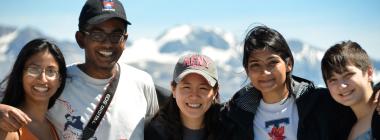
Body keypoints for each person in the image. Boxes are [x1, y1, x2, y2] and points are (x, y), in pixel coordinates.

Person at [0, 0, 159, 139]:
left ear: (125, 40)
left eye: (116, 35)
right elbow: (16, 94)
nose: (107, 44)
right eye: (97, 34)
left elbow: (159, 130)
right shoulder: (57, 81)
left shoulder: (142, 82)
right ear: (80, 39)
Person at [218, 25, 357, 139]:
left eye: (272, 62)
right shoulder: (234, 116)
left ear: (288, 64)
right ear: (247, 71)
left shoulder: (322, 104)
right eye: (255, 64)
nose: (264, 72)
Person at [0, 38, 66, 139]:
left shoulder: (53, 127)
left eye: (51, 71)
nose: (42, 79)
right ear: (20, 75)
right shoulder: (9, 126)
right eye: (34, 69)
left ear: (59, 81)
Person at [145, 54, 221, 140]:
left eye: (203, 88)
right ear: (173, 89)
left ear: (215, 92)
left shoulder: (230, 131)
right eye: (187, 87)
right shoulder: (152, 132)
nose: (194, 96)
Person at [321, 41, 380, 140]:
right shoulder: (342, 125)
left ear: (369, 73)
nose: (341, 86)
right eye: (333, 80)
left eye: (348, 75)